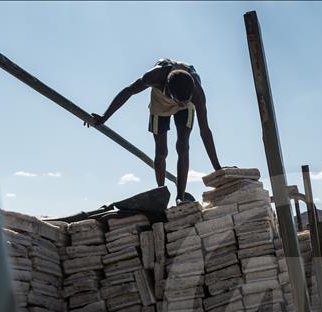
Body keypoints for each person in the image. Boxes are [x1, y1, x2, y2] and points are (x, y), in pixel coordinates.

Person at [86, 58, 223, 204]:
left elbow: (205, 131)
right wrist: (104, 117)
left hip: (187, 103)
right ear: (168, 91)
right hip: (160, 104)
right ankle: (161, 193)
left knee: (183, 146)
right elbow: (128, 91)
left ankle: (180, 197)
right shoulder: (154, 77)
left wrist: (218, 170)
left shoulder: (197, 94)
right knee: (161, 152)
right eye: (179, 102)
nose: (182, 105)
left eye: (186, 101)